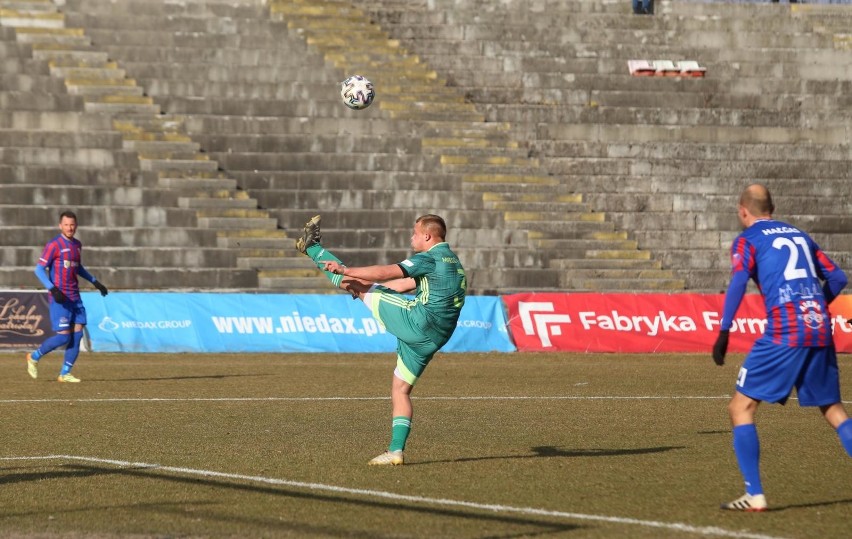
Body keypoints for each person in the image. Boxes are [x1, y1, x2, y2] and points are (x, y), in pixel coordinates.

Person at [712, 184, 851, 511]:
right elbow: (838, 277)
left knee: (740, 408)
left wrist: (723, 331)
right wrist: (817, 304)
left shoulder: (748, 240)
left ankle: (754, 494)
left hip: (785, 329)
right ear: (771, 208)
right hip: (818, 326)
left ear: (743, 209)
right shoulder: (801, 235)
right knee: (834, 411)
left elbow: (738, 279)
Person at [296, 214, 466, 465]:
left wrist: (348, 272)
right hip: (434, 338)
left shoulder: (429, 257)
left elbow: (388, 272)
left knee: (357, 284)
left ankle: (312, 248)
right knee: (400, 389)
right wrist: (371, 289)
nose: (412, 237)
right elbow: (403, 284)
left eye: (415, 233)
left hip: (417, 322)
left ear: (428, 236)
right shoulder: (452, 261)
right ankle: (395, 451)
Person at [26, 210, 109, 383]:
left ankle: (64, 373)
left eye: (72, 224)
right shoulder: (54, 244)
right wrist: (52, 289)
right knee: (64, 336)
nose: (69, 228)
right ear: (60, 226)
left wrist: (95, 282)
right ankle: (33, 357)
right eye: (66, 224)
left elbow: (77, 267)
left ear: (76, 226)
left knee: (77, 335)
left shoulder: (77, 245)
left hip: (75, 297)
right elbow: (39, 269)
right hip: (60, 298)